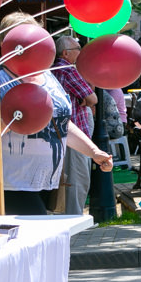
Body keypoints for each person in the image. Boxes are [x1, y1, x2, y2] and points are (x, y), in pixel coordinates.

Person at [0, 12, 113, 282]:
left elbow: (61, 123)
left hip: (43, 180)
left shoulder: (47, 77)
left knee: (28, 256)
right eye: (31, 38)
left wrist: (94, 152)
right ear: (13, 42)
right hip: (9, 180)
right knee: (45, 248)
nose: (41, 44)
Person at [53, 36, 97, 215]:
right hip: (75, 130)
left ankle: (66, 215)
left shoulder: (52, 69)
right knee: (78, 177)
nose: (81, 51)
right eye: (78, 48)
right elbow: (93, 98)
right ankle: (75, 217)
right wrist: (85, 99)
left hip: (57, 134)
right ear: (66, 53)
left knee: (66, 178)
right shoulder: (68, 70)